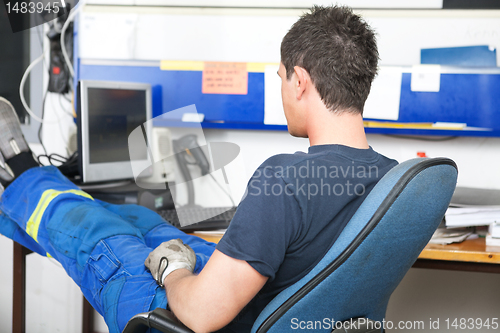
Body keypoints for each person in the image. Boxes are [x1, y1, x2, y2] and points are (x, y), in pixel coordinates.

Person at [0, 5, 398, 333]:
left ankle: (18, 172)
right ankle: (20, 192)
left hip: (198, 318)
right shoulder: (389, 179)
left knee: (95, 229)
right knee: (141, 218)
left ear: (300, 82)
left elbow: (202, 315)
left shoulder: (285, 180)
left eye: (281, 78)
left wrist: (173, 271)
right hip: (267, 300)